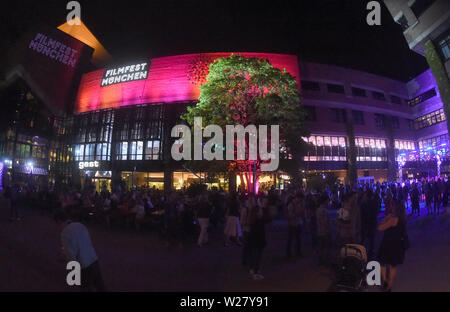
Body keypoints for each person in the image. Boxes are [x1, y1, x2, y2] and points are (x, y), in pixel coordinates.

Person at [54, 210, 106, 292]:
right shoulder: (80, 225)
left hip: (83, 265)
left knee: (85, 288)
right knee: (100, 286)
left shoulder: (65, 233)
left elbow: (71, 255)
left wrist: (73, 272)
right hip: (93, 259)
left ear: (59, 221)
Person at [377, 199, 408, 292]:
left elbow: (380, 228)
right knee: (392, 266)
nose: (391, 207)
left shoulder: (393, 219)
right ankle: (389, 285)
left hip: (388, 244)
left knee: (382, 262)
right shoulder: (403, 218)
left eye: (393, 206)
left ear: (396, 208)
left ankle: (386, 282)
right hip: (397, 245)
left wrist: (386, 218)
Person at [247, 196, 270, 280]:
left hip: (254, 236)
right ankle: (255, 272)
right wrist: (264, 209)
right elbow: (267, 219)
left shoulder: (253, 212)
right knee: (257, 255)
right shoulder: (257, 212)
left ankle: (253, 269)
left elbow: (267, 219)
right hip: (258, 237)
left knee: (254, 254)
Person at [285, 193, 304, 258]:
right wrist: (297, 214)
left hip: (298, 222)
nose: (301, 200)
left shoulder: (299, 204)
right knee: (290, 239)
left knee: (297, 238)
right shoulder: (291, 204)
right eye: (300, 199)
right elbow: (290, 215)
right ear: (298, 198)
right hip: (292, 223)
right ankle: (289, 253)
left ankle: (297, 252)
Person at [316, 194, 331, 265]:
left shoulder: (320, 209)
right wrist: (328, 227)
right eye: (327, 200)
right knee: (325, 246)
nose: (328, 202)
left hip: (320, 230)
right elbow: (323, 221)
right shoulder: (322, 210)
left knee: (321, 246)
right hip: (324, 231)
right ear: (325, 201)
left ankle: (321, 260)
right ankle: (324, 261)